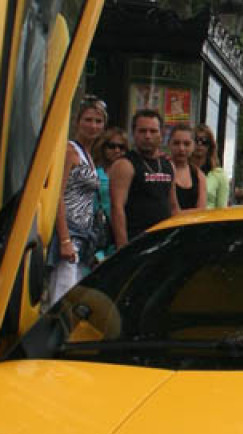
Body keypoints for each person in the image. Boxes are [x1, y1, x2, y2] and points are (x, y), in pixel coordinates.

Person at [47, 98, 107, 305]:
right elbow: (57, 195)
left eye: (98, 121)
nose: (93, 126)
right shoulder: (69, 151)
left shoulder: (88, 154)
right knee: (61, 295)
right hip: (69, 233)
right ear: (77, 122)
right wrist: (64, 240)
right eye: (88, 120)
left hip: (84, 236)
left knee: (74, 296)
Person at [107, 108, 173, 248]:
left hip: (164, 244)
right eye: (142, 131)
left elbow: (173, 207)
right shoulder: (125, 164)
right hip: (136, 243)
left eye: (153, 131)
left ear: (161, 134)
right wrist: (123, 249)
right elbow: (117, 208)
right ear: (134, 134)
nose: (148, 136)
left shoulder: (168, 164)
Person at [168, 122, 207, 212]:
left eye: (186, 144)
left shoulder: (199, 175)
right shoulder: (162, 170)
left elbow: (201, 210)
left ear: (193, 146)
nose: (181, 148)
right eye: (176, 143)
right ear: (169, 144)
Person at [192, 125, 230, 208]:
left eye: (204, 141)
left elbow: (222, 209)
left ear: (210, 146)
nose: (199, 144)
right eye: (196, 140)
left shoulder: (219, 175)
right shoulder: (182, 171)